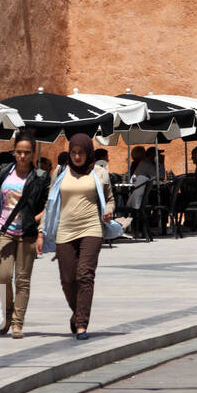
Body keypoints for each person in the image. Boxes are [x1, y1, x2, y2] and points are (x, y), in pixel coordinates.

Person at [41, 134, 115, 340]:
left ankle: (81, 323)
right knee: (67, 280)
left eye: (81, 153)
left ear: (88, 152)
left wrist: (109, 211)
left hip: (91, 228)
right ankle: (76, 314)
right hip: (65, 230)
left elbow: (110, 199)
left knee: (84, 275)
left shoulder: (99, 173)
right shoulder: (61, 173)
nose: (76, 157)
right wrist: (41, 231)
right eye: (73, 153)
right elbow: (50, 203)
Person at [0, 129, 50, 339]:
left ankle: (17, 322)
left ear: (33, 153)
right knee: (2, 277)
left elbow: (47, 205)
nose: (22, 156)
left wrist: (38, 227)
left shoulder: (40, 177)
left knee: (23, 280)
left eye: (27, 152)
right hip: (4, 231)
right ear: (14, 152)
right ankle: (7, 315)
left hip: (27, 233)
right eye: (19, 152)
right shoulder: (5, 172)